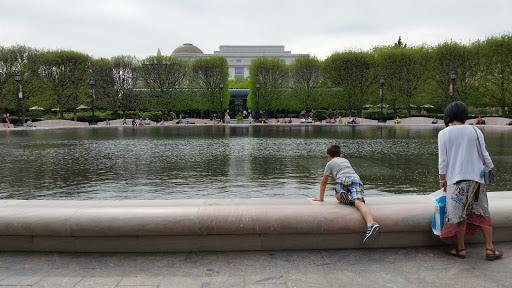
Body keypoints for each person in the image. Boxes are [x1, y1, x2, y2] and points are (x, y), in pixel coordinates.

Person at [438, 101, 502, 260]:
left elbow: (443, 160)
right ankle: (490, 248)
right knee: (482, 211)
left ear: (449, 115)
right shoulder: (475, 130)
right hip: (477, 180)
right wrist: (491, 169)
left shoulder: (444, 133)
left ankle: (460, 249)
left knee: (458, 214)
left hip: (456, 180)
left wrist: (442, 179)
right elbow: (484, 154)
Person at [313, 144, 381, 244]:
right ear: (341, 155)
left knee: (337, 196)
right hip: (355, 178)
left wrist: (321, 198)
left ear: (328, 156)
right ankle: (371, 224)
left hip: (341, 179)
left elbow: (324, 182)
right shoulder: (345, 160)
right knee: (358, 202)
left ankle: (342, 195)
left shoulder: (330, 163)